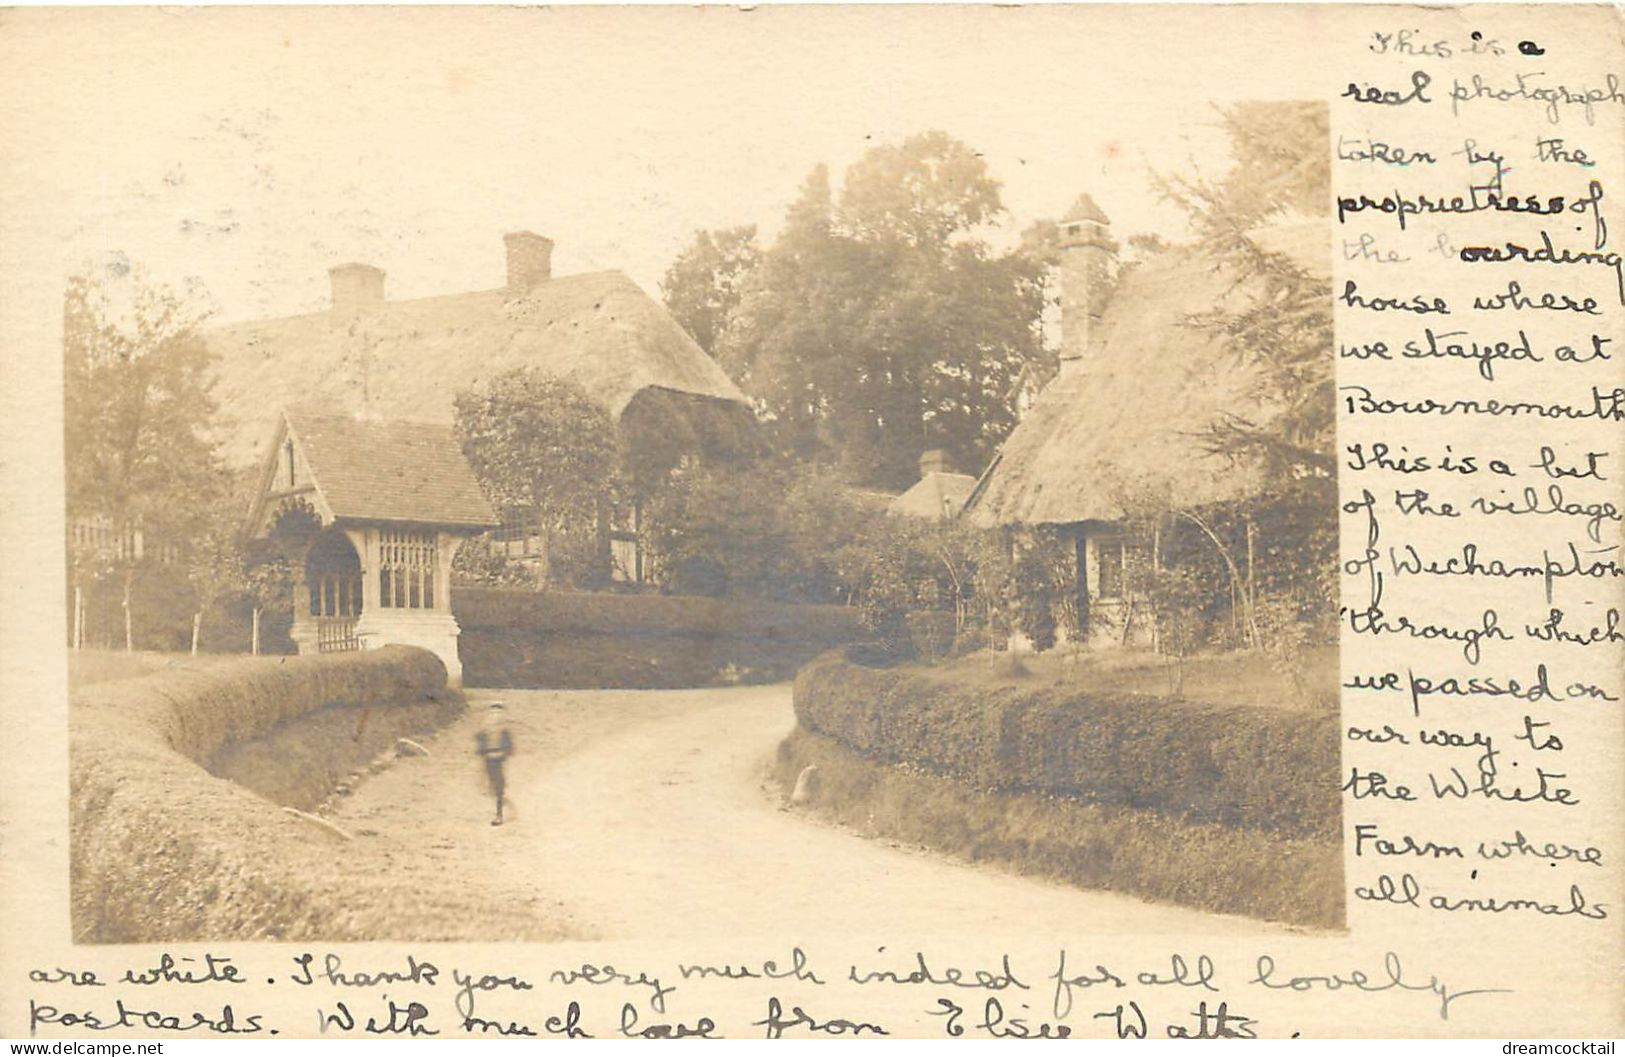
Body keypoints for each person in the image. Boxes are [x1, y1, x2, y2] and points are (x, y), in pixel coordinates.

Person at [475, 702, 514, 826]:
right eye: (492, 713)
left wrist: (501, 754)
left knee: (498, 788)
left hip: (498, 761)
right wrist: (484, 754)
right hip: (488, 761)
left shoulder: (504, 732)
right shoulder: (484, 732)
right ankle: (507, 804)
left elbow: (510, 749)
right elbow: (480, 748)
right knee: (488, 789)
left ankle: (499, 814)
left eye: (498, 713)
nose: (495, 716)